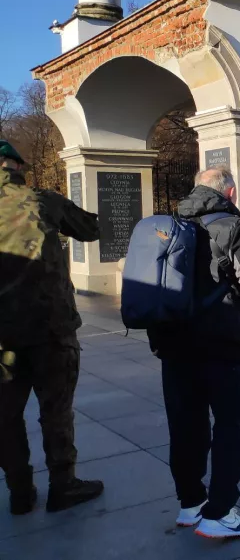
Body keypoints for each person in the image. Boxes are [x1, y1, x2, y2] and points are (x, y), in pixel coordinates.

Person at [151, 167, 240, 538]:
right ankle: (219, 512)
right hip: (224, 345)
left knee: (185, 427)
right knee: (234, 426)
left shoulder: (169, 225)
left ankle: (190, 504)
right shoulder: (234, 228)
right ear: (229, 192)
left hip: (174, 345)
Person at [0, 140, 104, 516]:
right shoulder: (43, 200)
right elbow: (91, 229)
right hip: (50, 329)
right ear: (15, 167)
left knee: (5, 416)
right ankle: (63, 486)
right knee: (56, 411)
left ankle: (19, 491)